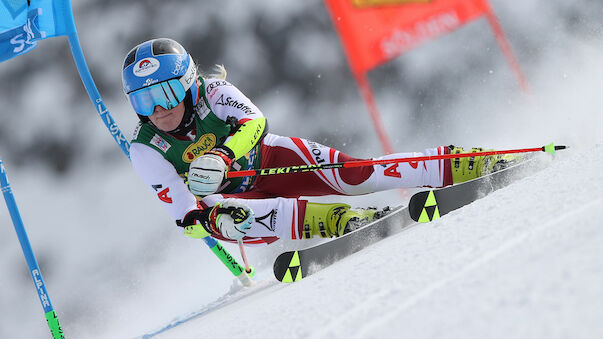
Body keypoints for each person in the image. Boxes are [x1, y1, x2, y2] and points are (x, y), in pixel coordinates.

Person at [122, 38, 516, 245]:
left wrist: (224, 154)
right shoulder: (145, 147)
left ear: (189, 84)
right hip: (233, 202)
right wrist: (198, 219)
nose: (158, 110)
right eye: (144, 100)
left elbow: (255, 122)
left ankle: (459, 163)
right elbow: (181, 210)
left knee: (358, 174)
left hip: (270, 159)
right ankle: (332, 221)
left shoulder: (215, 91)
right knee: (226, 219)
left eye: (166, 94)